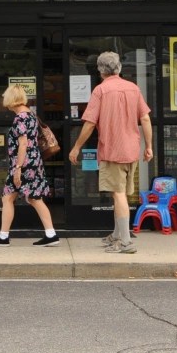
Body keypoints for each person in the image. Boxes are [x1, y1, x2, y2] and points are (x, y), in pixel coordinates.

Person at [68, 51, 153, 254]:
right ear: (119, 68)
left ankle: (125, 242)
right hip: (131, 149)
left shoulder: (100, 90)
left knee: (118, 194)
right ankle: (116, 235)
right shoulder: (133, 88)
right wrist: (149, 146)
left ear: (100, 70)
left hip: (112, 150)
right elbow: (145, 118)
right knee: (120, 193)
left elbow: (90, 123)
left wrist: (76, 147)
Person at [0, 84, 59, 247]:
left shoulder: (20, 118)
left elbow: (23, 144)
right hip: (33, 162)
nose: (4, 100)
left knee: (9, 197)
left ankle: (3, 237)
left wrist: (18, 168)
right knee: (33, 198)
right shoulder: (30, 115)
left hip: (24, 164)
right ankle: (51, 234)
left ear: (11, 99)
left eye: (5, 97)